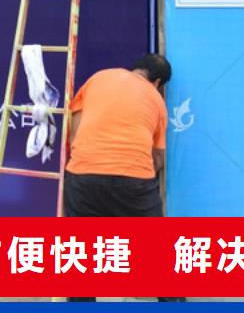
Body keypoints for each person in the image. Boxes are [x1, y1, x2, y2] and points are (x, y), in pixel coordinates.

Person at [64, 54, 184, 303]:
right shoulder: (156, 100)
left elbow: (74, 125)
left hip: (83, 174)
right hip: (133, 180)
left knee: (80, 254)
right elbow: (158, 157)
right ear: (158, 82)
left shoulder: (99, 78)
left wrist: (85, 157)